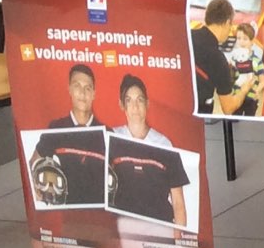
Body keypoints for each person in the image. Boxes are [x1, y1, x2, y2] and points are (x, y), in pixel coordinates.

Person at [106, 74, 190, 229]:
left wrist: (180, 243)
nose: (135, 107)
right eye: (129, 101)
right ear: (121, 105)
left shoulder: (164, 144)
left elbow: (178, 202)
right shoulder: (112, 139)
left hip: (159, 231)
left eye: (140, 100)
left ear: (148, 103)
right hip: (122, 229)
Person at [29, 63, 106, 207]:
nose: (82, 93)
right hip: (65, 212)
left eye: (88, 88)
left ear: (94, 94)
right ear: (69, 89)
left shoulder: (106, 133)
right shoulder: (56, 129)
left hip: (100, 214)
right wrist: (35, 186)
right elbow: (34, 161)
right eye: (77, 86)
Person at [190, 0, 240, 116]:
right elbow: (228, 109)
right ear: (228, 22)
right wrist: (244, 89)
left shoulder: (187, 36)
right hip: (199, 118)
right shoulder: (218, 59)